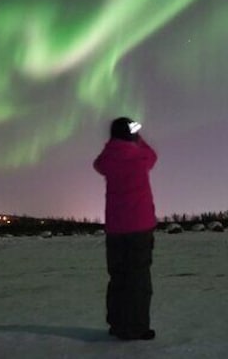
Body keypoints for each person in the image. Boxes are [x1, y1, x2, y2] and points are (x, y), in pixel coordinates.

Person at [93, 116, 158, 341]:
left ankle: (118, 324)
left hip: (115, 229)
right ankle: (137, 327)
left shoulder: (108, 160)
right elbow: (153, 156)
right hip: (139, 226)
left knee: (118, 277)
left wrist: (113, 142)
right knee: (138, 278)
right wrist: (138, 140)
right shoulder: (140, 156)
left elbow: (98, 164)